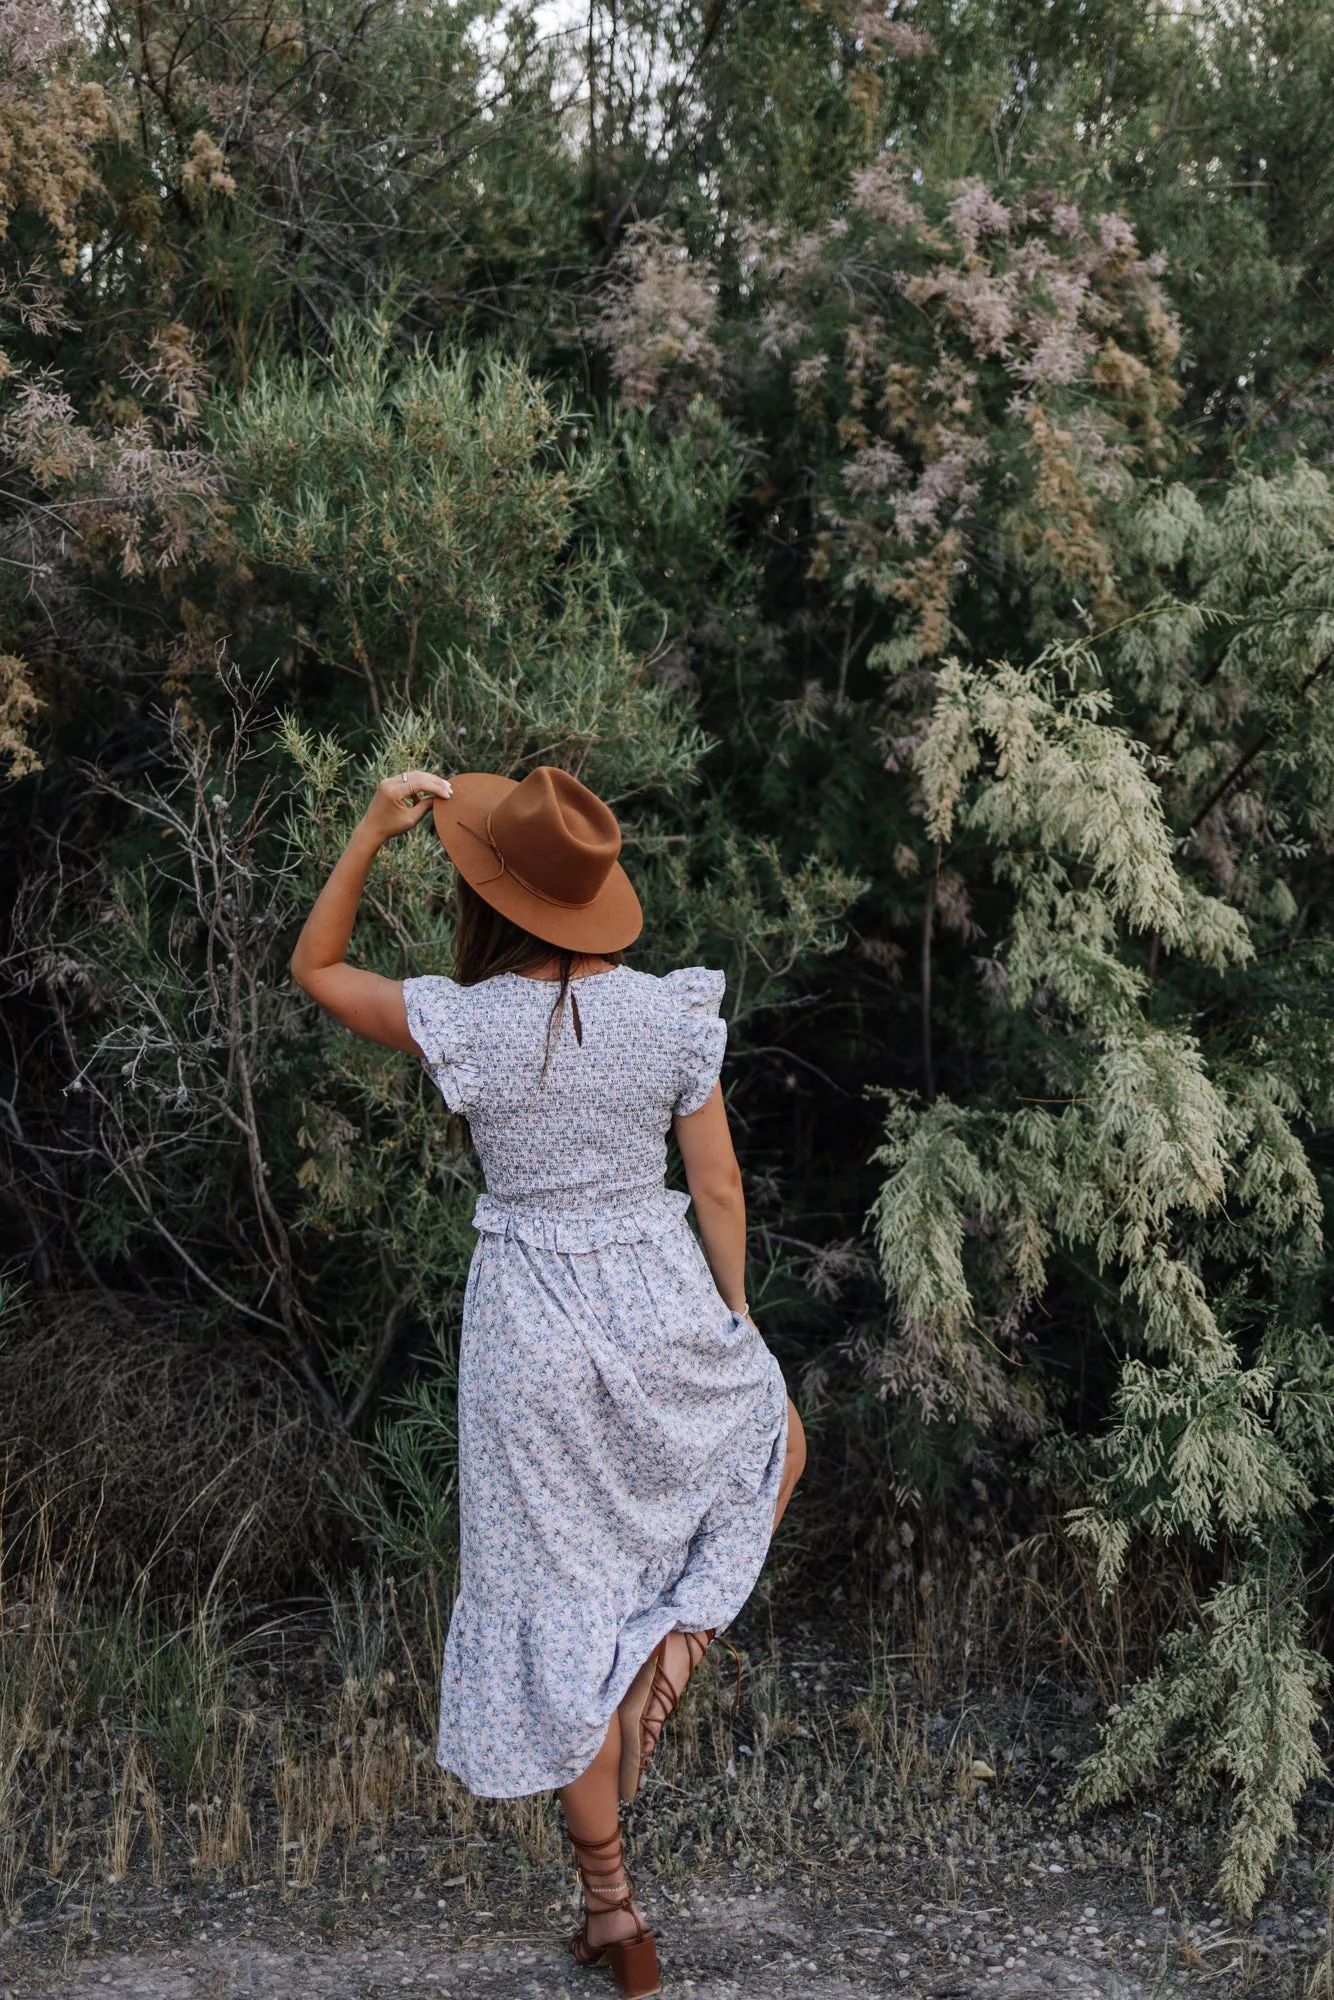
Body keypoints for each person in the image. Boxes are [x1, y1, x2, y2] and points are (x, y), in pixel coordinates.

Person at [291, 763, 806, 1999]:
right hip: (654, 1291)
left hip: (526, 1320)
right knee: (774, 1433)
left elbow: (314, 967)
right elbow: (721, 1188)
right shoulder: (671, 1016)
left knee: (558, 1606)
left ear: (493, 891)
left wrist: (369, 829)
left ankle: (616, 1918)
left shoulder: (462, 1020)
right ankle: (668, 1660)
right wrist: (730, 1322)